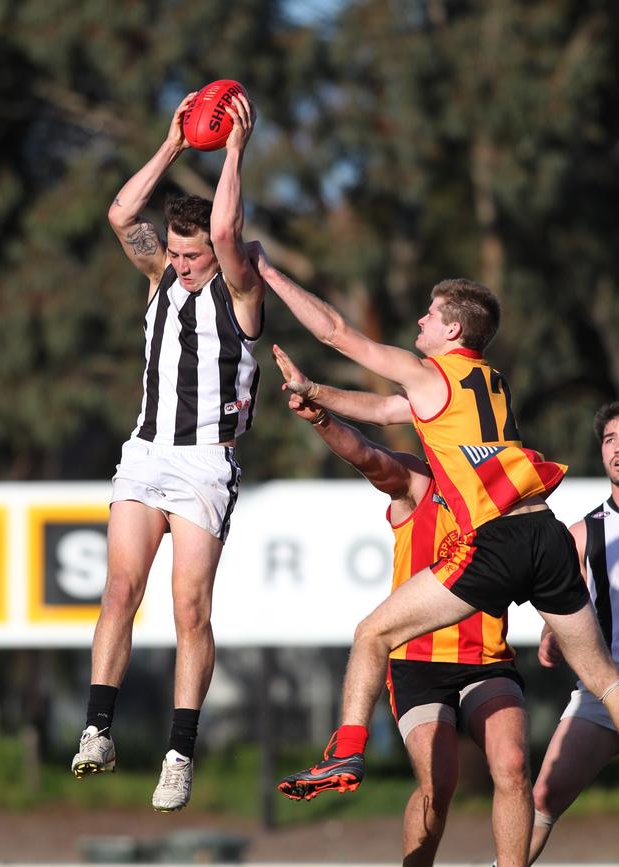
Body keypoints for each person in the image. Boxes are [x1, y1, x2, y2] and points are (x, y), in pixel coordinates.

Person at [247, 243, 619, 814]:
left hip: (497, 540)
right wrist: (316, 394)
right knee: (605, 680)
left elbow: (340, 334)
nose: (420, 320)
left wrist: (269, 273)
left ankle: (346, 751)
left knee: (373, 633)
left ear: (451, 329)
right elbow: (385, 411)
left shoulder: (430, 374)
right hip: (544, 533)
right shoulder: (486, 379)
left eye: (429, 312)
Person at [70, 91, 265, 813]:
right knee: (120, 590)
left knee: (190, 608)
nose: (181, 263)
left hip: (205, 464)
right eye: (175, 252)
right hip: (147, 453)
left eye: (193, 254)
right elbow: (123, 215)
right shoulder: (159, 279)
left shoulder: (240, 292)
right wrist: (175, 143)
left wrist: (233, 150)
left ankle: (179, 750)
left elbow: (223, 224)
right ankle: (99, 728)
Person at [274, 345, 532, 866]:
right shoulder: (419, 481)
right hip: (420, 663)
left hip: (487, 659)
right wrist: (322, 417)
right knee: (438, 786)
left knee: (513, 767)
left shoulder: (505, 489)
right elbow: (368, 455)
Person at [527, 401, 619, 863]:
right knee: (542, 797)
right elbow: (567, 605)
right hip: (604, 689)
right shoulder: (584, 532)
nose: (618, 449)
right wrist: (552, 632)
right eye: (609, 440)